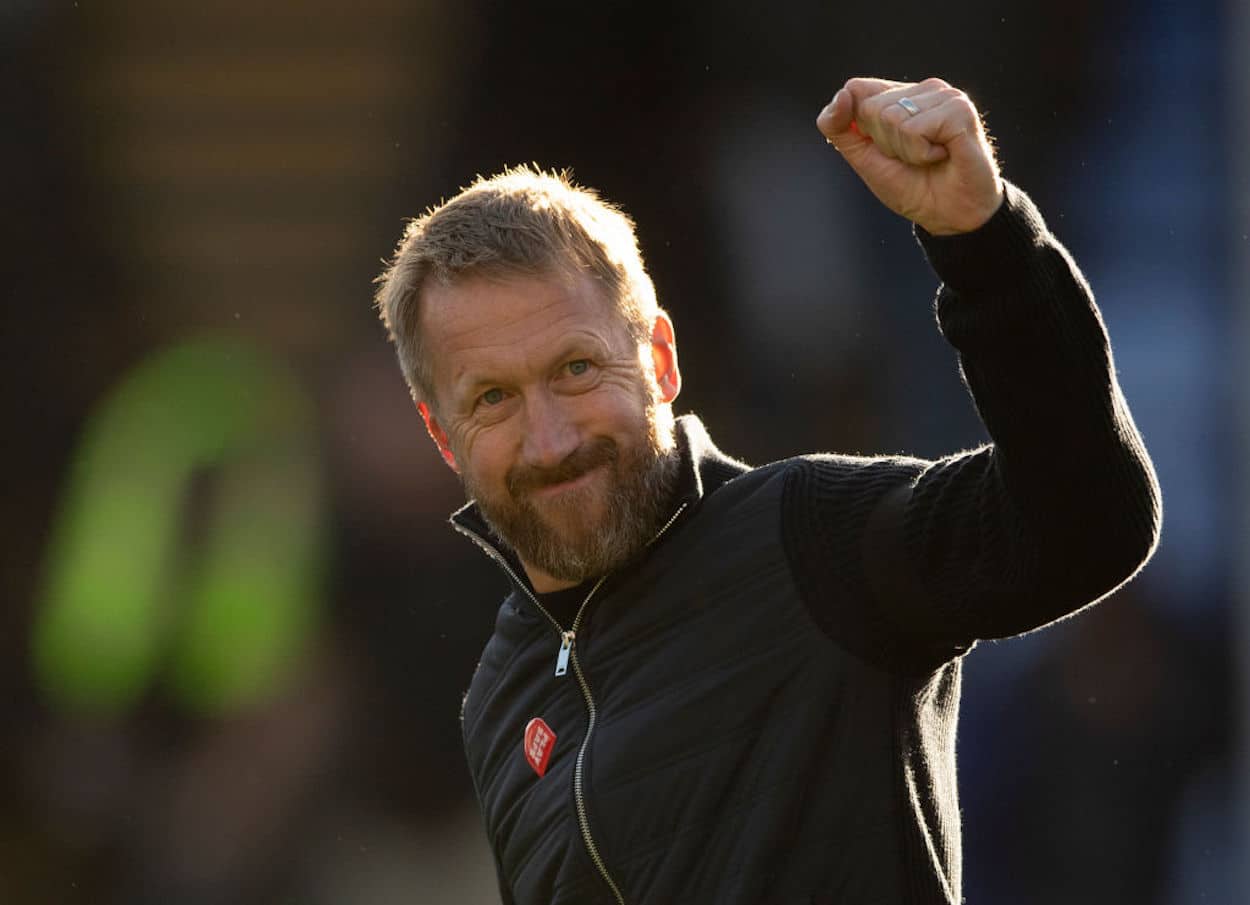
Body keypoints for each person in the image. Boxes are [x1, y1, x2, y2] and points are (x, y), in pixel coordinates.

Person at [373, 77, 1161, 905]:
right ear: (441, 433)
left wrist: (983, 240)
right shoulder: (501, 693)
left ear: (661, 361)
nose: (551, 438)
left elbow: (1091, 523)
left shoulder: (811, 539)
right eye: (493, 398)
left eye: (575, 369)